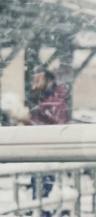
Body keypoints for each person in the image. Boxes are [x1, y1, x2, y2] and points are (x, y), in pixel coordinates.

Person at [20, 69, 69, 217]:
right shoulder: (50, 99)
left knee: (42, 188)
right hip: (45, 151)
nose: (35, 83)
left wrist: (29, 120)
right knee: (41, 188)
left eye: (38, 79)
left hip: (47, 151)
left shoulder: (53, 100)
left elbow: (52, 125)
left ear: (48, 81)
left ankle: (42, 210)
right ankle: (42, 210)